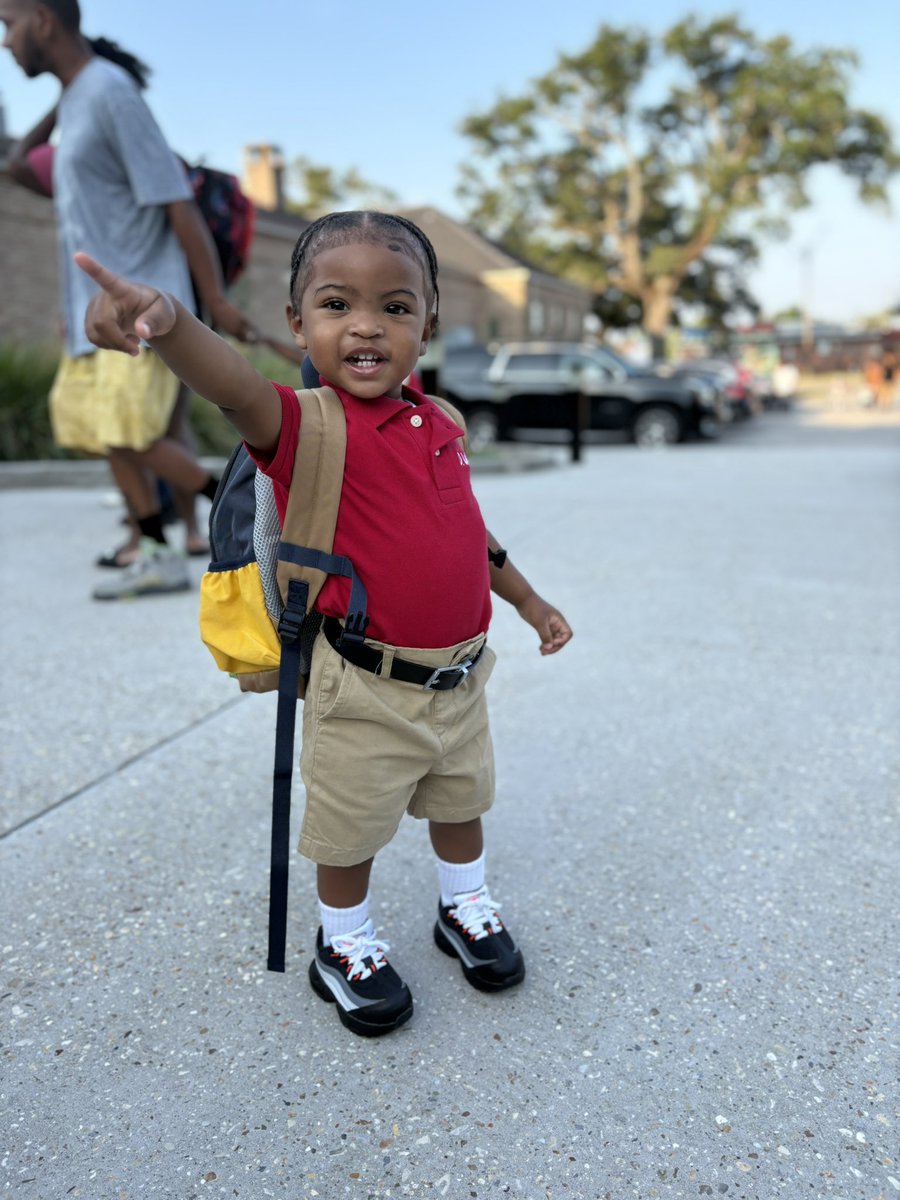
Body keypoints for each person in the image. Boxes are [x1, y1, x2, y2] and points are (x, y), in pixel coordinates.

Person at [76, 210, 574, 1036]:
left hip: (458, 675)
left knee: (463, 799)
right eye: (338, 304)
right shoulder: (305, 424)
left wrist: (527, 600)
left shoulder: (442, 423)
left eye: (397, 307)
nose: (368, 326)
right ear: (297, 322)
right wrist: (166, 322)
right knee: (349, 828)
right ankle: (342, 942)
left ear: (429, 324)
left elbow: (468, 533)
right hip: (363, 684)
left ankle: (466, 907)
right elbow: (230, 382)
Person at [1, 0, 256, 597]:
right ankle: (159, 547)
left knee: (133, 433)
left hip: (141, 303)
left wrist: (214, 299)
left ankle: (243, 503)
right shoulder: (82, 99)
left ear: (43, 18)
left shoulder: (112, 93)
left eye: (9, 25)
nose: (6, 43)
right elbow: (17, 167)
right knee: (106, 434)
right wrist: (61, 96)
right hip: (90, 313)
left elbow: (178, 203)